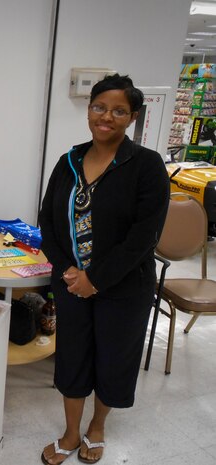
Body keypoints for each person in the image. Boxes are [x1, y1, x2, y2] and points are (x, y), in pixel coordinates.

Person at [38, 74, 169, 465]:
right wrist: (68, 272)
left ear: (132, 117)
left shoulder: (146, 165)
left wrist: (95, 279)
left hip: (124, 287)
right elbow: (47, 221)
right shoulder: (69, 161)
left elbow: (145, 235)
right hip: (71, 283)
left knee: (113, 358)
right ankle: (70, 432)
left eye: (118, 111)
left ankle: (97, 428)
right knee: (73, 356)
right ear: (89, 109)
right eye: (99, 107)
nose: (106, 117)